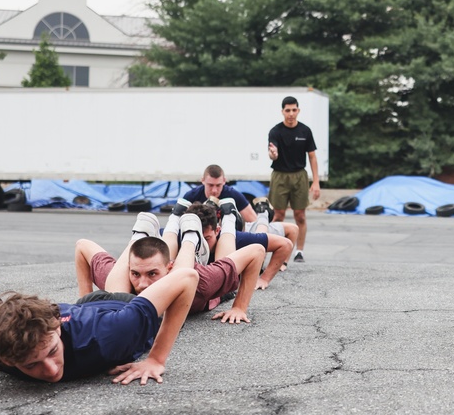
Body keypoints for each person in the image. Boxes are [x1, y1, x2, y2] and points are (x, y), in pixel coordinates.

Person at [0, 256, 198, 385]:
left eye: (51, 351)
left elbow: (186, 278)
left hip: (118, 306)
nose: (49, 370)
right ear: (5, 360)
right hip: (81, 308)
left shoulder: (112, 334)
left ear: (56, 327)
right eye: (31, 365)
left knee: (182, 293)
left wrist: (156, 359)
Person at [75, 206, 267, 322]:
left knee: (219, 261)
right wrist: (87, 304)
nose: (142, 285)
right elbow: (82, 245)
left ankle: (205, 230)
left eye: (152, 274)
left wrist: (239, 307)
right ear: (129, 269)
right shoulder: (121, 277)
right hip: (154, 265)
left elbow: (256, 251)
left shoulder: (203, 283)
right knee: (115, 295)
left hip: (191, 274)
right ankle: (154, 231)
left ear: (170, 268)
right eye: (135, 274)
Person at [180, 164, 299, 254]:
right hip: (202, 237)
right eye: (210, 185)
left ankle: (263, 214)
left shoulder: (233, 194)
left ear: (224, 182)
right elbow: (180, 225)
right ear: (202, 181)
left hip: (231, 234)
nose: (215, 190)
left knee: (290, 228)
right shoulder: (191, 196)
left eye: (218, 185)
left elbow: (252, 220)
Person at [267, 96, 321, 262]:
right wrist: (273, 154)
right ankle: (275, 250)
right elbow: (271, 152)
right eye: (287, 110)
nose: (291, 113)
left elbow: (312, 157)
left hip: (299, 176)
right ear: (282, 111)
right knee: (278, 215)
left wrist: (316, 181)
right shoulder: (275, 131)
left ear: (298, 110)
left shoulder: (305, 131)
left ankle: (299, 251)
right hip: (280, 175)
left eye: (294, 110)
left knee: (300, 216)